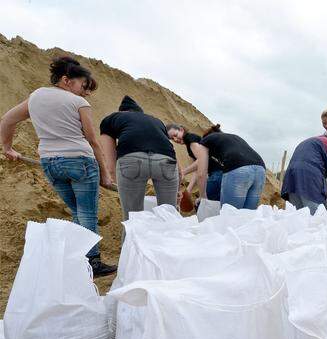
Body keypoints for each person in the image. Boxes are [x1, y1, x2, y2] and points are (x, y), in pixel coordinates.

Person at [0, 56, 116, 276]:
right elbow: (92, 140)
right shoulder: (78, 103)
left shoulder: (35, 97)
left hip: (50, 164)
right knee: (87, 214)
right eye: (84, 86)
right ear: (67, 80)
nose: (86, 92)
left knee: (77, 212)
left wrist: (8, 148)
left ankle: (78, 260)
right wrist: (106, 174)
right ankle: (92, 262)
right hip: (79, 161)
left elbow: (7, 120)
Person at [99, 96, 180, 224]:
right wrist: (178, 186)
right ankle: (174, 243)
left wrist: (112, 176)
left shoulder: (112, 119)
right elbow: (170, 150)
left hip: (132, 159)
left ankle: (133, 243)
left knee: (132, 220)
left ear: (122, 112)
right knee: (170, 217)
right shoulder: (157, 121)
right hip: (166, 161)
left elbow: (109, 156)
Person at [186, 124, 266, 209]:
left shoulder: (205, 141)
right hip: (260, 170)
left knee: (229, 214)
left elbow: (201, 173)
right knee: (247, 215)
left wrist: (203, 197)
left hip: (238, 168)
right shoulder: (233, 137)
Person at [282, 135, 327, 214]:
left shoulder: (309, 142)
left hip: (291, 179)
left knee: (298, 216)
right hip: (309, 179)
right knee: (316, 218)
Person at [166, 123, 222, 202]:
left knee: (206, 204)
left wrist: (183, 172)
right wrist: (188, 189)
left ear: (181, 130)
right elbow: (197, 170)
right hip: (216, 174)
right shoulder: (189, 145)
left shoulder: (190, 138)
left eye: (175, 135)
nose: (175, 139)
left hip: (217, 174)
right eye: (172, 138)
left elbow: (202, 160)